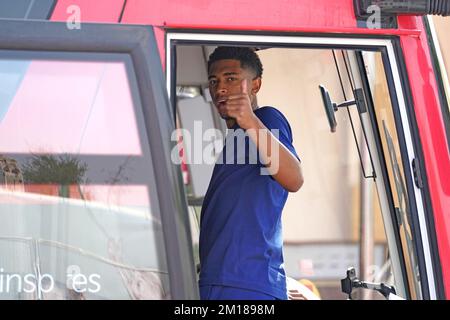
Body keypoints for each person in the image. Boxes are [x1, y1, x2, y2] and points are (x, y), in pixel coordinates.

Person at [198, 46, 304, 300]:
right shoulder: (236, 138)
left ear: (255, 85)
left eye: (231, 78)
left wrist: (251, 122)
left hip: (241, 284)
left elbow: (295, 179)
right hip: (222, 281)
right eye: (214, 81)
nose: (220, 88)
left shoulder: (266, 118)